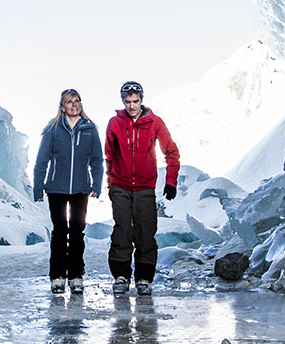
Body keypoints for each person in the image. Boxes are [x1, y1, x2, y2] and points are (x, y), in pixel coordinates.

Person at [103, 80, 179, 296]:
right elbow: (109, 155)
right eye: (128, 102)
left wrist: (171, 181)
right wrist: (112, 184)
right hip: (120, 185)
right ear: (123, 102)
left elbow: (171, 152)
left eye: (135, 101)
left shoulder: (155, 122)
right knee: (122, 230)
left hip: (145, 186)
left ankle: (144, 278)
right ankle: (121, 276)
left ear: (142, 101)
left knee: (146, 232)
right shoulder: (115, 123)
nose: (132, 106)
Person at [32, 88, 102, 296]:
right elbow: (41, 161)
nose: (75, 105)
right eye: (70, 102)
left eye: (77, 101)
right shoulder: (53, 129)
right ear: (62, 107)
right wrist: (38, 188)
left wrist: (96, 185)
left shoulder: (90, 129)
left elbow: (97, 160)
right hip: (56, 189)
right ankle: (57, 277)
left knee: (78, 232)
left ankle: (76, 277)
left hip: (80, 189)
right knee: (60, 232)